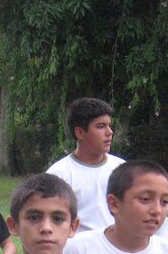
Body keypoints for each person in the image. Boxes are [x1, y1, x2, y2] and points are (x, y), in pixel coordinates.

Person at [46, 97, 125, 233]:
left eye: (109, 125)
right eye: (101, 126)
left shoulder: (122, 169)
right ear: (80, 132)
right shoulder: (59, 175)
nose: (109, 132)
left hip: (118, 244)